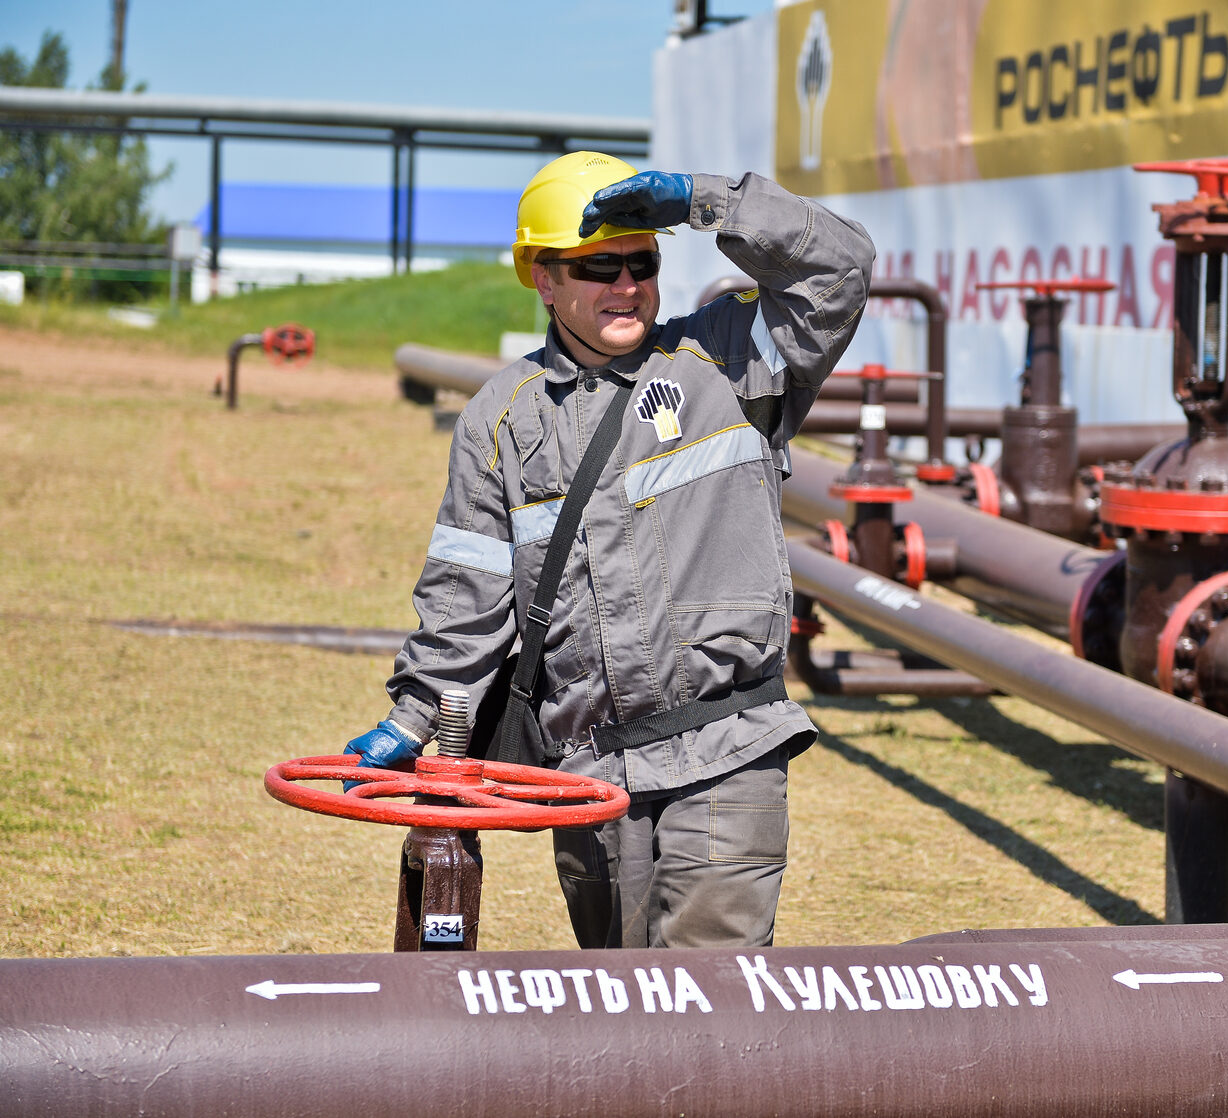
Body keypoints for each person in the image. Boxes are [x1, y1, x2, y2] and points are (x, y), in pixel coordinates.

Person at [343, 151, 874, 949]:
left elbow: (841, 266)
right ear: (543, 279)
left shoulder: (733, 360)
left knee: (708, 1004)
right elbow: (468, 597)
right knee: (622, 1024)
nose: (627, 285)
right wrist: (413, 716)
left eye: (642, 262)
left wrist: (706, 202)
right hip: (592, 782)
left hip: (728, 750)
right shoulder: (502, 420)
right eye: (598, 266)